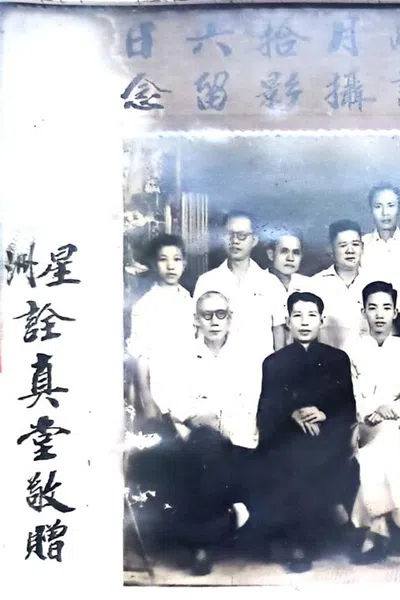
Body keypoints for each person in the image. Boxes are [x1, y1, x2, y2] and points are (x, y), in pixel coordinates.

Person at [128, 291, 258, 577]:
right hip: (196, 435)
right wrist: (191, 416)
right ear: (196, 320)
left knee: (209, 451)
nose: (214, 321)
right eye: (207, 315)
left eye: (220, 314)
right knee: (202, 450)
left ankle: (207, 541)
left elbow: (251, 397)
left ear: (230, 318)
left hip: (238, 435)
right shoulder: (182, 355)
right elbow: (170, 396)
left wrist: (220, 419)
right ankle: (211, 537)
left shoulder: (247, 354)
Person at [251, 291, 359, 573]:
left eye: (311, 315)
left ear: (322, 320)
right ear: (287, 322)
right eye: (297, 315)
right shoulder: (273, 363)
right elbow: (265, 412)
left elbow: (348, 408)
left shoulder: (338, 359)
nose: (304, 322)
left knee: (315, 452)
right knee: (294, 454)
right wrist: (292, 414)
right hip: (287, 436)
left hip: (329, 434)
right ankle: (301, 541)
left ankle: (310, 533)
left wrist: (324, 413)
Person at [347, 281, 400, 564]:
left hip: (397, 426)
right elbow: (349, 393)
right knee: (379, 442)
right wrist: (368, 414)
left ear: (394, 312)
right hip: (360, 426)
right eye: (372, 308)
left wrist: (391, 410)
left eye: (386, 308)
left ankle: (376, 528)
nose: (379, 315)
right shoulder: (352, 349)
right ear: (363, 311)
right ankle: (395, 507)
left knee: (386, 438)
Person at [193, 211, 287, 363]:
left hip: (260, 372)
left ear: (254, 240)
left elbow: (279, 336)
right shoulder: (206, 281)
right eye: (230, 235)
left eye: (242, 235)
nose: (235, 241)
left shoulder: (271, 283)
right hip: (218, 370)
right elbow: (198, 334)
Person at [127, 233, 196, 422]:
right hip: (160, 388)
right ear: (154, 263)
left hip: (189, 388)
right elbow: (141, 357)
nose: (171, 266)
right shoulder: (145, 305)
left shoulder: (189, 301)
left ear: (185, 263)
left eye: (176, 259)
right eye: (163, 260)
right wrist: (147, 399)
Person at [311, 220, 381, 352]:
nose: (350, 250)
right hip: (328, 363)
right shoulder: (315, 285)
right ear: (331, 249)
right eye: (343, 245)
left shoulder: (375, 283)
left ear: (362, 247)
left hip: (368, 362)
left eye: (355, 244)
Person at [360, 184, 400, 329]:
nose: (385, 212)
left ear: (399, 208)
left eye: (390, 205)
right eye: (378, 206)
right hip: (368, 327)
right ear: (371, 210)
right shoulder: (360, 245)